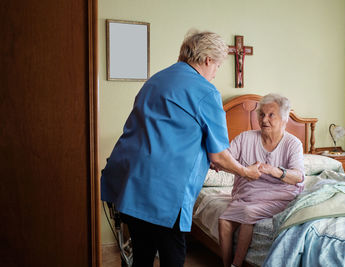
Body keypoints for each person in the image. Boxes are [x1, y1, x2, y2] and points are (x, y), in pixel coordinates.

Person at [100, 30, 262, 267]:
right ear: (207, 60)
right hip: (164, 192)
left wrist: (209, 160)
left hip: (131, 183)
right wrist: (247, 172)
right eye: (217, 66)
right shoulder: (205, 91)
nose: (216, 73)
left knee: (142, 257)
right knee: (173, 258)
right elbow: (218, 154)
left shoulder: (156, 80)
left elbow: (166, 132)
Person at [218, 93, 305, 267]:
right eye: (261, 115)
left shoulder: (292, 143)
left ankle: (236, 264)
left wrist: (273, 170)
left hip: (280, 196)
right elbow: (224, 160)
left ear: (284, 119)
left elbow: (298, 176)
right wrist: (224, 164)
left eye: (271, 115)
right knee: (223, 222)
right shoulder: (245, 138)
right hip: (248, 194)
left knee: (249, 213)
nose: (264, 120)